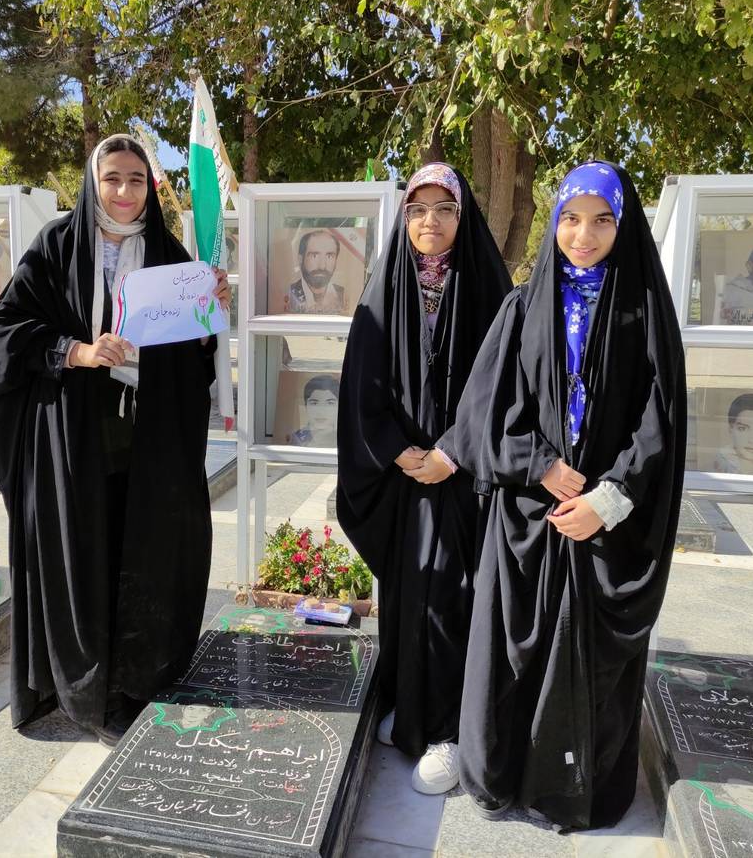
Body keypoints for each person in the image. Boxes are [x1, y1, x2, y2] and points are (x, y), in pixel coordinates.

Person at [440, 160, 686, 829]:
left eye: (602, 220)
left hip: (606, 522)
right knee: (512, 659)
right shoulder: (525, 305)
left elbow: (660, 420)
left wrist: (607, 499)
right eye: (571, 219)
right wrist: (540, 464)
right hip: (528, 515)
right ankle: (500, 774)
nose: (585, 234)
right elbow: (485, 411)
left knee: (590, 666)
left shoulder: (643, 309)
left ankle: (578, 790)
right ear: (554, 223)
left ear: (622, 225)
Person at [0, 133, 231, 741]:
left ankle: (133, 682)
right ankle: (80, 684)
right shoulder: (56, 246)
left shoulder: (170, 254)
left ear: (150, 187)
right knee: (82, 551)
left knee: (142, 549)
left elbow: (193, 359)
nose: (124, 192)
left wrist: (206, 316)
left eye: (137, 180)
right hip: (71, 435)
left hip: (148, 436)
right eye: (113, 178)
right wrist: (77, 351)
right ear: (93, 183)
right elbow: (8, 331)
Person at [337, 163, 511, 794]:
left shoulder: (491, 292)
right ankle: (412, 714)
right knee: (411, 594)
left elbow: (504, 388)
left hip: (466, 478)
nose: (429, 221)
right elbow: (362, 382)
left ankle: (450, 731)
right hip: (407, 474)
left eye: (444, 209)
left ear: (463, 219)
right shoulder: (385, 289)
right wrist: (397, 451)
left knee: (453, 598)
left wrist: (453, 452)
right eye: (417, 209)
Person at [286, 229, 346, 314]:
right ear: (300, 259)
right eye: (314, 256)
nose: (322, 266)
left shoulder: (343, 295)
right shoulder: (290, 293)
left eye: (329, 256)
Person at [286, 375, 340, 447]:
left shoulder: (346, 438)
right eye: (314, 403)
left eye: (330, 403)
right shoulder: (296, 439)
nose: (321, 411)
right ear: (306, 406)